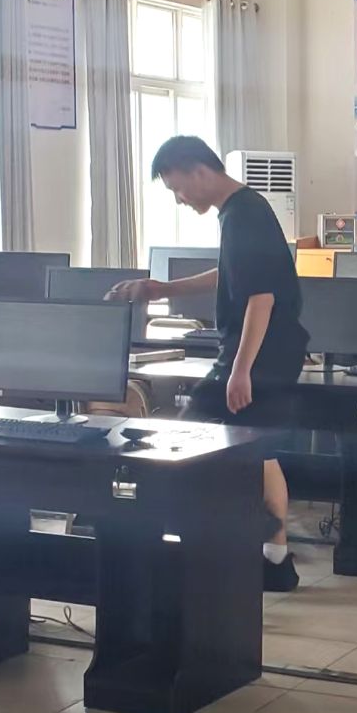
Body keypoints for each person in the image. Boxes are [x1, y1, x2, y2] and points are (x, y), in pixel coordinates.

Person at [110, 136, 309, 592]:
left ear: (199, 171)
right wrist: (164, 289)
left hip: (261, 354)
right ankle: (273, 560)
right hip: (265, 351)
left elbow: (261, 297)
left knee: (193, 440)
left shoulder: (244, 213)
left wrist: (241, 370)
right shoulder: (239, 212)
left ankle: (235, 551)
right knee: (257, 450)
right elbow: (231, 274)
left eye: (177, 188)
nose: (180, 199)